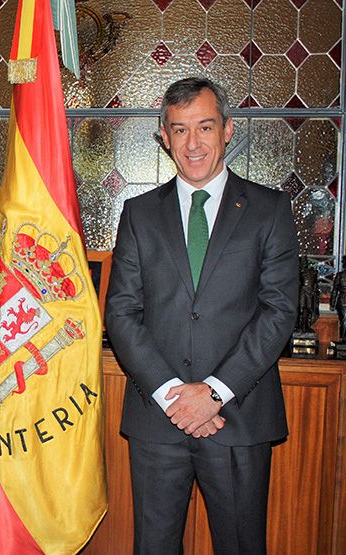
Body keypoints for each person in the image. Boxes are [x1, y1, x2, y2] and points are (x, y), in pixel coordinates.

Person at [104, 77, 298, 554]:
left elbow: (278, 312)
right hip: (158, 419)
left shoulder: (269, 210)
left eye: (205, 127)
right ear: (164, 137)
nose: (193, 143)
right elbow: (122, 312)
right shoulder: (138, 213)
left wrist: (213, 393)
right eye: (180, 130)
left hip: (240, 418)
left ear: (228, 130)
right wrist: (175, 395)